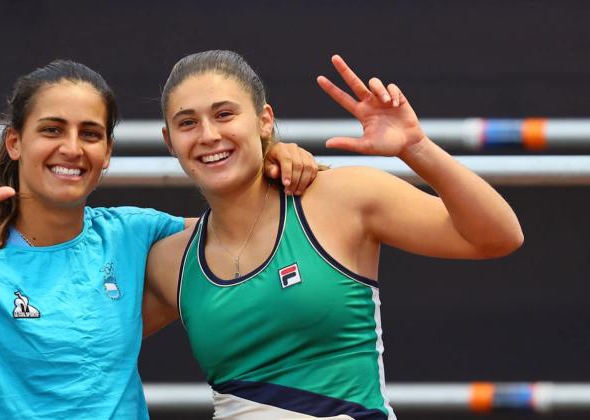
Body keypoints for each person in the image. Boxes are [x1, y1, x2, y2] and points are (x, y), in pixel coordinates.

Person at [0, 59, 320, 418]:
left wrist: (271, 154)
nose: (72, 148)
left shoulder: (134, 232)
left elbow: (247, 228)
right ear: (14, 143)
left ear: (108, 153)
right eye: (52, 130)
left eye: (90, 134)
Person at [143, 50, 524, 420]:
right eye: (187, 123)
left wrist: (416, 148)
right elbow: (90, 348)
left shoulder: (338, 198)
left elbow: (497, 236)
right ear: (169, 141)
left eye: (224, 114)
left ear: (263, 120)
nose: (209, 135)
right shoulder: (172, 260)